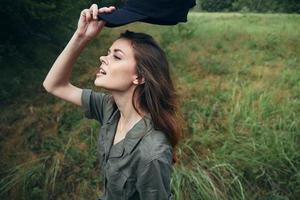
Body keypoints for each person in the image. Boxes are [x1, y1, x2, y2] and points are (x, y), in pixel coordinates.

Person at [43, 4, 182, 200]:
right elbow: (54, 85)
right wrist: (81, 36)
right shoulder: (109, 108)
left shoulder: (152, 152)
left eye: (116, 56)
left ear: (140, 77)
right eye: (108, 53)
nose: (103, 58)